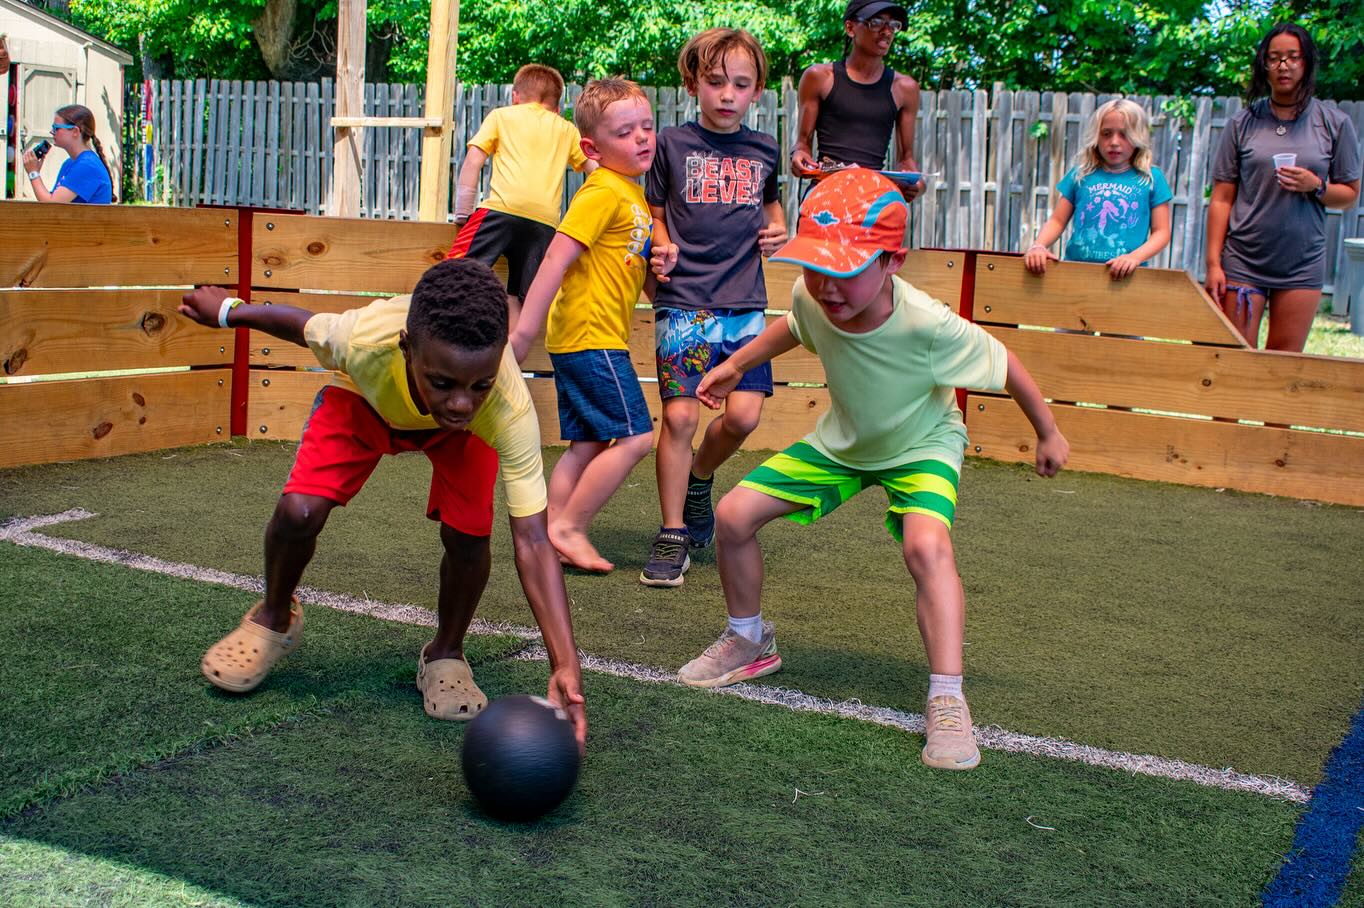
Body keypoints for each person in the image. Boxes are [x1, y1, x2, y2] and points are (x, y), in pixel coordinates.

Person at [677, 169, 1069, 771]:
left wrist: (1047, 431)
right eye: (816, 268)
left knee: (927, 547)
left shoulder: (928, 325)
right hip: (844, 443)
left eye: (845, 270)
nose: (827, 286)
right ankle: (749, 639)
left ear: (893, 262)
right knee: (732, 516)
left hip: (921, 445)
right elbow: (794, 325)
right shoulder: (815, 296)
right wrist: (737, 364)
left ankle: (946, 696)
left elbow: (1005, 364)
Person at [177, 259, 587, 747]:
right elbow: (296, 322)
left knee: (469, 534)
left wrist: (564, 664)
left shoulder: (501, 403)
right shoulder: (363, 339)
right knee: (298, 512)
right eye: (444, 382)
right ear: (407, 348)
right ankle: (274, 616)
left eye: (479, 383)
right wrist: (226, 310)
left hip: (459, 440)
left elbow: (535, 540)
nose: (461, 401)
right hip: (366, 400)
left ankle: (445, 653)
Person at [637, 28, 788, 587]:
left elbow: (772, 210)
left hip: (745, 302)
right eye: (716, 81)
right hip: (684, 301)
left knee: (744, 416)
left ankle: (700, 476)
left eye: (741, 84)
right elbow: (653, 210)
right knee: (680, 415)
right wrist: (660, 240)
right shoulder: (671, 145)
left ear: (757, 91)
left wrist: (777, 232)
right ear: (694, 83)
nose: (728, 93)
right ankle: (672, 531)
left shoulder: (765, 148)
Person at [509, 77, 663, 574]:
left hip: (585, 336)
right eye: (625, 132)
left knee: (589, 443)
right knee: (637, 437)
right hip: (590, 336)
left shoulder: (630, 194)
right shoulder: (601, 193)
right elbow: (556, 258)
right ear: (593, 148)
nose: (641, 138)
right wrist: (523, 332)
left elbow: (631, 268)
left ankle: (549, 532)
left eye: (646, 126)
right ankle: (569, 527)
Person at [1204, 23, 1361, 351]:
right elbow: (1221, 198)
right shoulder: (1242, 123)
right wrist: (1213, 264)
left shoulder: (1333, 123)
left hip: (1301, 265)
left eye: (1292, 57)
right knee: (1235, 363)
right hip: (1243, 262)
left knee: (1283, 370)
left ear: (1306, 63)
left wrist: (1315, 185)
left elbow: (1349, 195)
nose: (1283, 66)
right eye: (1274, 58)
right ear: (1264, 65)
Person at [446, 64, 596, 321]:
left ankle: (445, 333)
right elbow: (595, 172)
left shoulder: (501, 116)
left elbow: (473, 160)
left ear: (515, 97)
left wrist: (463, 212)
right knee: (518, 297)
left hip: (501, 210)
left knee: (454, 273)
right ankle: (510, 359)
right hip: (544, 224)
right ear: (557, 108)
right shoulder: (567, 129)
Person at [1024, 99, 1172, 280]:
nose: (1114, 142)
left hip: (1127, 278)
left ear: (1137, 137)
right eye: (1106, 134)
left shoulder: (1151, 178)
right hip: (1076, 274)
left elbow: (1162, 232)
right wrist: (1038, 246)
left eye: (1124, 134)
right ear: (1096, 136)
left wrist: (1134, 258)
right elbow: (1057, 220)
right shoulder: (1080, 175)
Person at [791, 0, 923, 200]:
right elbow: (802, 146)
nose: (887, 32)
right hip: (825, 195)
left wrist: (917, 185)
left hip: (873, 198)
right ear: (850, 28)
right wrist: (799, 158)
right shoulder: (819, 77)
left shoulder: (905, 88)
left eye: (893, 25)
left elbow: (907, 160)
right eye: (876, 22)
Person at [22, 104, 115, 204]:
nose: (52, 132)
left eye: (56, 128)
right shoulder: (70, 163)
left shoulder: (87, 166)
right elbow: (53, 200)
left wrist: (34, 173)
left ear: (75, 131)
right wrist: (34, 171)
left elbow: (51, 205)